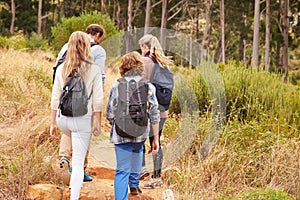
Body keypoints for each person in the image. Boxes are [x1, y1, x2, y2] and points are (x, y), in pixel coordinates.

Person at [50, 31, 103, 200]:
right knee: (79, 163)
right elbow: (98, 100)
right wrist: (97, 123)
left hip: (63, 120)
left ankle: (64, 156)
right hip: (83, 119)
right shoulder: (93, 68)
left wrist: (53, 123)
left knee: (71, 135)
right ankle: (74, 197)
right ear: (87, 46)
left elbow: (55, 97)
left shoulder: (61, 67)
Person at [106, 51, 160, 200]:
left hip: (121, 132)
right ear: (140, 67)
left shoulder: (117, 85)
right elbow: (154, 114)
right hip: (140, 132)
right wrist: (155, 138)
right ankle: (134, 185)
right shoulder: (148, 87)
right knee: (138, 151)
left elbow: (110, 113)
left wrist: (115, 124)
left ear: (123, 67)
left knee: (122, 170)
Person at [138, 34, 174, 188]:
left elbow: (141, 85)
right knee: (156, 141)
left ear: (145, 47)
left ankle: (146, 171)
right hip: (163, 111)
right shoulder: (164, 63)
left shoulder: (146, 61)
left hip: (150, 109)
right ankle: (155, 175)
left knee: (141, 138)